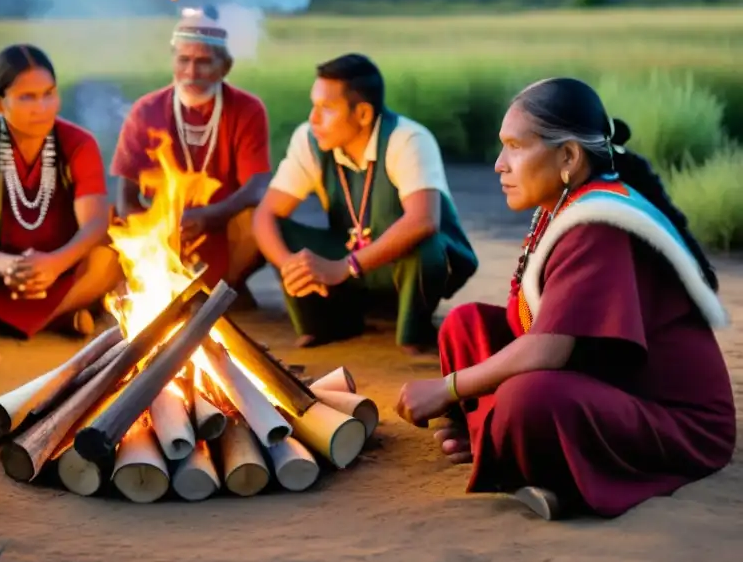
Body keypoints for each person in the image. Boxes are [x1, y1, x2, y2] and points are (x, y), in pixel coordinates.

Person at [394, 77, 736, 520]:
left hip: (672, 420)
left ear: (569, 156)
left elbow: (549, 347)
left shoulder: (600, 222)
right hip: (601, 381)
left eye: (515, 146)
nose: (499, 164)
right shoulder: (561, 202)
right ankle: (499, 440)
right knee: (466, 324)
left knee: (529, 396)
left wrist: (448, 388)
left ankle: (520, 454)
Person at [253, 53, 478, 351]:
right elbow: (265, 214)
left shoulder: (407, 139)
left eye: (326, 108)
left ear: (362, 114)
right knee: (275, 230)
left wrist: (346, 267)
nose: (313, 118)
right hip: (350, 257)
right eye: (313, 105)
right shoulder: (310, 139)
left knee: (426, 243)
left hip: (403, 267)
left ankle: (415, 330)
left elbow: (424, 220)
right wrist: (289, 266)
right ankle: (331, 323)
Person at [0, 44, 122, 339]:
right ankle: (61, 319)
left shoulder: (79, 144)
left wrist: (55, 264)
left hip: (62, 271)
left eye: (49, 94)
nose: (42, 108)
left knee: (108, 262)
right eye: (27, 97)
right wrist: (5, 266)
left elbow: (94, 224)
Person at [110, 6, 272, 301]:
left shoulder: (247, 109)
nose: (191, 72)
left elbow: (258, 185)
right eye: (183, 60)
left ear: (225, 67)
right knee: (107, 222)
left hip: (222, 225)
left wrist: (211, 215)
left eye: (204, 62)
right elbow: (125, 195)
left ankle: (225, 288)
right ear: (173, 60)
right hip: (164, 230)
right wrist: (153, 227)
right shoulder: (146, 110)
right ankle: (166, 289)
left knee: (258, 220)